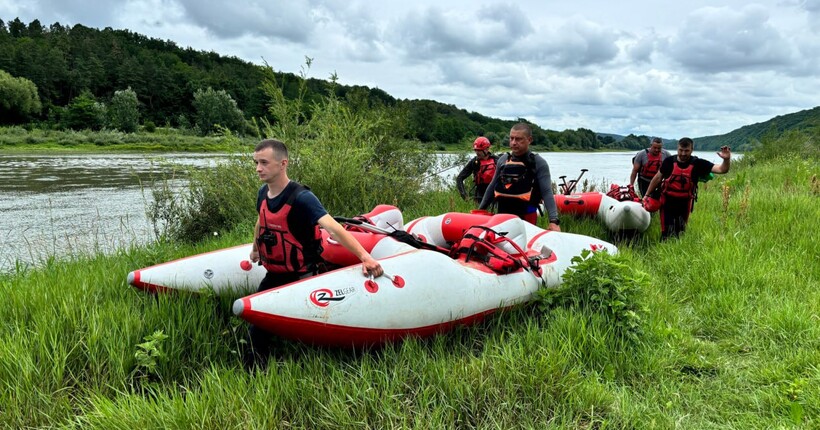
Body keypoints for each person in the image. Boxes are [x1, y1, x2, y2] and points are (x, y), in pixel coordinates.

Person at [247, 138, 383, 365]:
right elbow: (261, 221)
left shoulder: (302, 198)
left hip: (302, 275)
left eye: (264, 163)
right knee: (256, 328)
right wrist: (255, 249)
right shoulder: (263, 192)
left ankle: (316, 360)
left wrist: (366, 257)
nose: (258, 168)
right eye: (256, 163)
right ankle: (255, 368)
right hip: (275, 273)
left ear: (283, 164)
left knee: (302, 329)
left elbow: (333, 228)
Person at [644, 137, 731, 240]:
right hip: (667, 201)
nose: (683, 153)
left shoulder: (698, 163)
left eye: (687, 151)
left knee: (680, 233)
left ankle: (677, 252)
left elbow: (722, 169)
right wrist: (647, 195)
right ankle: (663, 249)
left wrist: (726, 159)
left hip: (685, 202)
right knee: (666, 233)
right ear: (677, 149)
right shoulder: (669, 161)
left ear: (692, 150)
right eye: (681, 150)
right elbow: (657, 178)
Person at [478, 123, 560, 230]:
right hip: (502, 215)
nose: (513, 142)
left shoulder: (538, 162)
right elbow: (492, 186)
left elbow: (547, 192)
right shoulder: (503, 160)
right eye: (511, 138)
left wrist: (554, 221)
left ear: (529, 140)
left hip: (527, 216)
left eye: (518, 139)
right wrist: (480, 211)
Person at [455, 137, 499, 205]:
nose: (477, 152)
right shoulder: (474, 162)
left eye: (479, 150)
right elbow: (459, 178)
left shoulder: (497, 160)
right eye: (476, 150)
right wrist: (464, 195)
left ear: (487, 149)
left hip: (495, 196)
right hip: (479, 197)